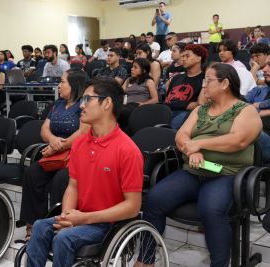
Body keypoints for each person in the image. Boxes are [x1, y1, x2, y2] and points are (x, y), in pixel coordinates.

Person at [141, 63, 262, 267]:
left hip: (226, 173)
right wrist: (193, 150)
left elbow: (238, 140)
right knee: (154, 199)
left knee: (211, 209)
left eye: (208, 80)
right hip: (194, 170)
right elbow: (181, 135)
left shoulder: (246, 110)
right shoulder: (201, 109)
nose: (203, 85)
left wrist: (198, 143)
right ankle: (145, 260)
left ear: (225, 83)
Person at [26, 77, 144, 267]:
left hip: (108, 223)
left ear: (106, 103)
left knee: (63, 239)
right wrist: (67, 215)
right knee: (40, 226)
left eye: (87, 99)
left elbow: (132, 206)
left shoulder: (127, 150)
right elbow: (73, 186)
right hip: (81, 215)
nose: (82, 106)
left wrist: (84, 218)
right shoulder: (80, 143)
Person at [20, 69, 89, 240]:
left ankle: (56, 226)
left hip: (75, 155)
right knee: (32, 173)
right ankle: (33, 224)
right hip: (55, 153)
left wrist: (57, 146)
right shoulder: (57, 104)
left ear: (74, 85)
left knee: (61, 179)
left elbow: (82, 133)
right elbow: (44, 129)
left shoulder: (83, 105)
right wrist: (52, 141)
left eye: (63, 82)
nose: (59, 85)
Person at [164, 44, 207, 130]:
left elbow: (199, 105)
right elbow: (167, 100)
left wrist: (175, 104)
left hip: (186, 115)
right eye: (182, 56)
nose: (183, 58)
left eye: (187, 56)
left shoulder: (205, 78)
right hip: (168, 112)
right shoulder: (176, 78)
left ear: (199, 58)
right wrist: (187, 104)